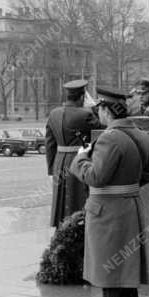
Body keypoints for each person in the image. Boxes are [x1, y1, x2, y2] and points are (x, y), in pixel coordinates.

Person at [69, 87, 149, 297]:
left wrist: (81, 156)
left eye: (100, 111)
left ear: (107, 110)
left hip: (108, 214)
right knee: (126, 274)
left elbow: (95, 177)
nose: (100, 116)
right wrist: (127, 187)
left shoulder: (109, 139)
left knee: (109, 275)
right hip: (130, 207)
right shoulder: (141, 134)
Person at [45, 79, 101, 227]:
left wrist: (51, 168)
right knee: (77, 199)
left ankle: (61, 229)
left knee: (62, 201)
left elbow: (49, 144)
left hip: (59, 161)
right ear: (82, 97)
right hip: (77, 161)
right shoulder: (84, 115)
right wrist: (94, 108)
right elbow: (102, 127)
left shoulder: (54, 114)